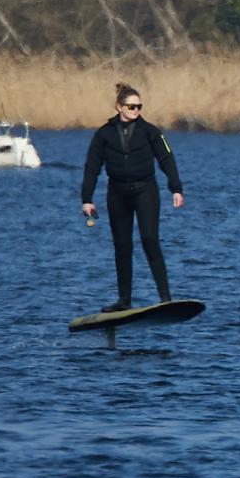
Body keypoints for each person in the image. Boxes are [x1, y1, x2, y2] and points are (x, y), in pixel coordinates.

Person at [79, 82, 185, 312]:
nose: (136, 111)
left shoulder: (151, 131)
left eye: (139, 107)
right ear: (119, 107)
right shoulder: (103, 134)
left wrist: (175, 188)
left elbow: (166, 158)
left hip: (145, 191)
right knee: (122, 246)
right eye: (131, 107)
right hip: (117, 193)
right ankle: (124, 301)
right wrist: (86, 199)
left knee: (149, 240)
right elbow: (91, 167)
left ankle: (165, 298)